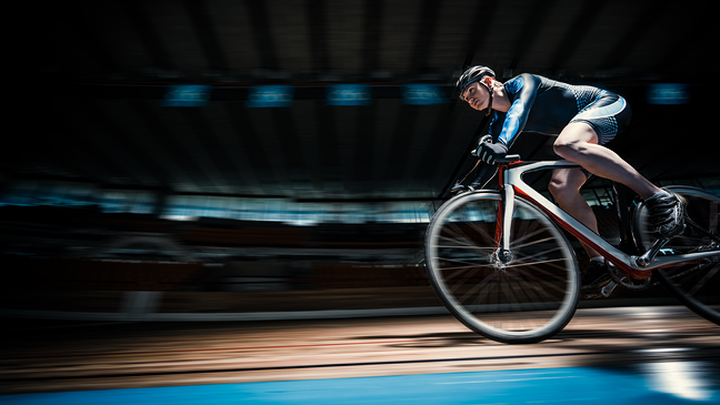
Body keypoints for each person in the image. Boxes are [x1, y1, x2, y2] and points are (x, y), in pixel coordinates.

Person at [454, 65, 685, 295]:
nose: (469, 100)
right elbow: (491, 160)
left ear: (488, 81)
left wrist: (502, 144)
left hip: (607, 105)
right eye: (465, 98)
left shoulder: (523, 82)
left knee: (565, 145)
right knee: (560, 187)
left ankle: (659, 196)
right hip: (584, 131)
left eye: (471, 91)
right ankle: (600, 261)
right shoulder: (497, 121)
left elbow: (519, 110)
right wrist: (469, 187)